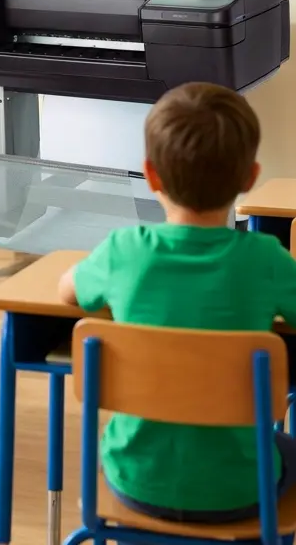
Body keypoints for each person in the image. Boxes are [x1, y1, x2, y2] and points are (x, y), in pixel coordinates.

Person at [59, 82, 296, 523]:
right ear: (249, 178)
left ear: (151, 175)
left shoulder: (122, 251)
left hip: (136, 480)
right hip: (242, 489)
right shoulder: (266, 259)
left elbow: (68, 291)